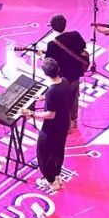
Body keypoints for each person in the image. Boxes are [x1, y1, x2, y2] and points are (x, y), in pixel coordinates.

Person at [28, 58, 76, 193]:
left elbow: (50, 114)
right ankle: (57, 174)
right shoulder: (64, 82)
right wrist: (44, 98)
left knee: (43, 153)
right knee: (58, 150)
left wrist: (32, 114)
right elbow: (61, 98)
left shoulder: (52, 92)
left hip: (51, 128)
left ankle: (51, 180)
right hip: (63, 123)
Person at [45, 14, 89, 129]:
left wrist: (41, 55)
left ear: (52, 27)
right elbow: (82, 49)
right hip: (76, 74)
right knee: (74, 98)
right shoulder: (75, 35)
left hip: (63, 79)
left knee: (63, 102)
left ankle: (67, 126)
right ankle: (74, 121)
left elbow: (49, 63)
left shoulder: (52, 44)